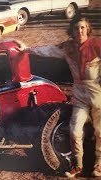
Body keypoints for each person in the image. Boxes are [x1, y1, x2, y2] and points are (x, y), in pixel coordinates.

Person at [19, 16, 101, 178]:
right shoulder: (67, 47)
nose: (80, 31)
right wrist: (28, 49)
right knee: (74, 130)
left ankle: (99, 164)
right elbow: (48, 50)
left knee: (100, 131)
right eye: (76, 28)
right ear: (72, 31)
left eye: (83, 28)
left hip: (97, 92)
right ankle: (77, 165)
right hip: (79, 94)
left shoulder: (97, 44)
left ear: (88, 29)